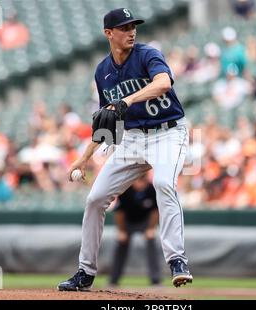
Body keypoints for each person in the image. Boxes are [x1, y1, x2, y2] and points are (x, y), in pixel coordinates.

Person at [58, 8, 193, 291]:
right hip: (132, 139)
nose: (131, 31)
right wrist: (83, 159)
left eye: (133, 26)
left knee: (164, 183)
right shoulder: (103, 72)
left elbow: (164, 83)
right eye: (124, 27)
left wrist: (127, 101)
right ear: (109, 33)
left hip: (168, 133)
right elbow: (108, 122)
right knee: (95, 199)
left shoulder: (147, 55)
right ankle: (85, 272)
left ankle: (177, 260)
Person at [109, 174, 162, 287]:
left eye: (143, 181)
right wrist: (122, 231)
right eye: (138, 181)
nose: (140, 185)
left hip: (145, 222)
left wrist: (151, 229)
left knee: (152, 242)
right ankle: (113, 280)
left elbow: (155, 211)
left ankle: (155, 280)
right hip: (128, 222)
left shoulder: (151, 189)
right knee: (121, 245)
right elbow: (119, 212)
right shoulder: (126, 190)